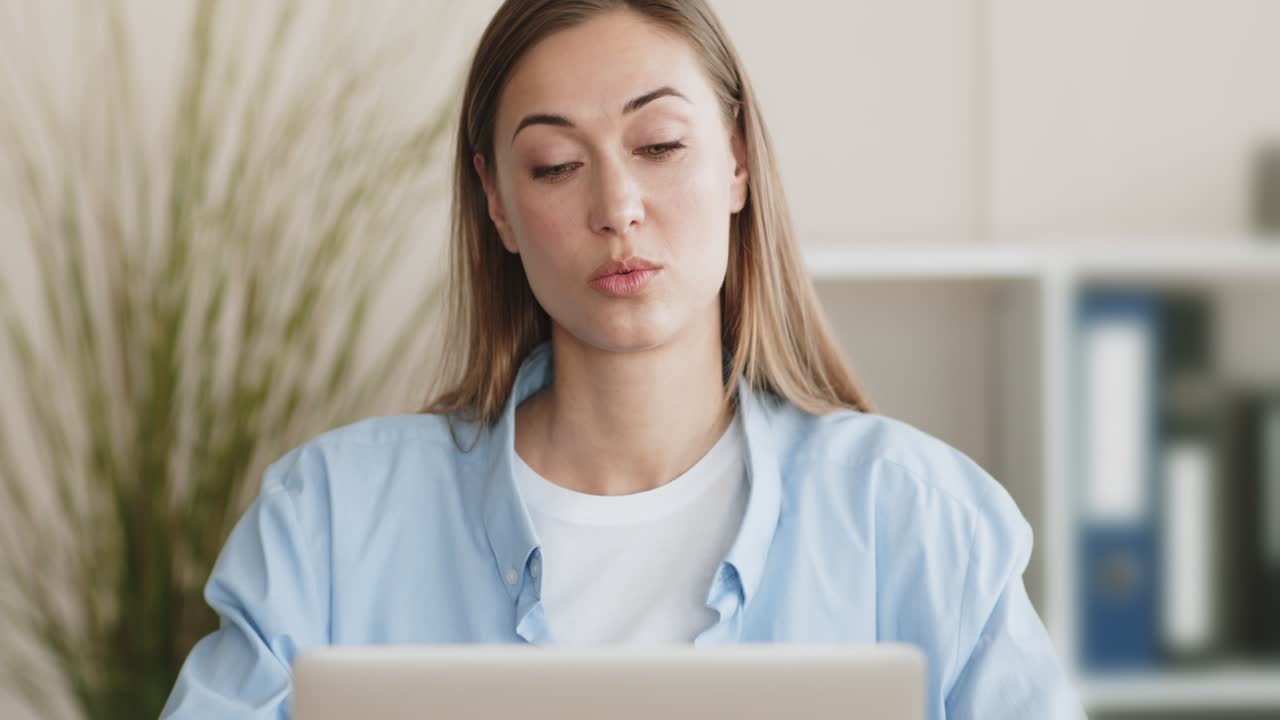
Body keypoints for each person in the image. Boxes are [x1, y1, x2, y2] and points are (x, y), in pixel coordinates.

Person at [161, 1, 1084, 718]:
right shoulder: (326, 525)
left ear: (735, 161)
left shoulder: (919, 522)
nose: (618, 206)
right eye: (557, 165)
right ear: (497, 204)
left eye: (660, 145)